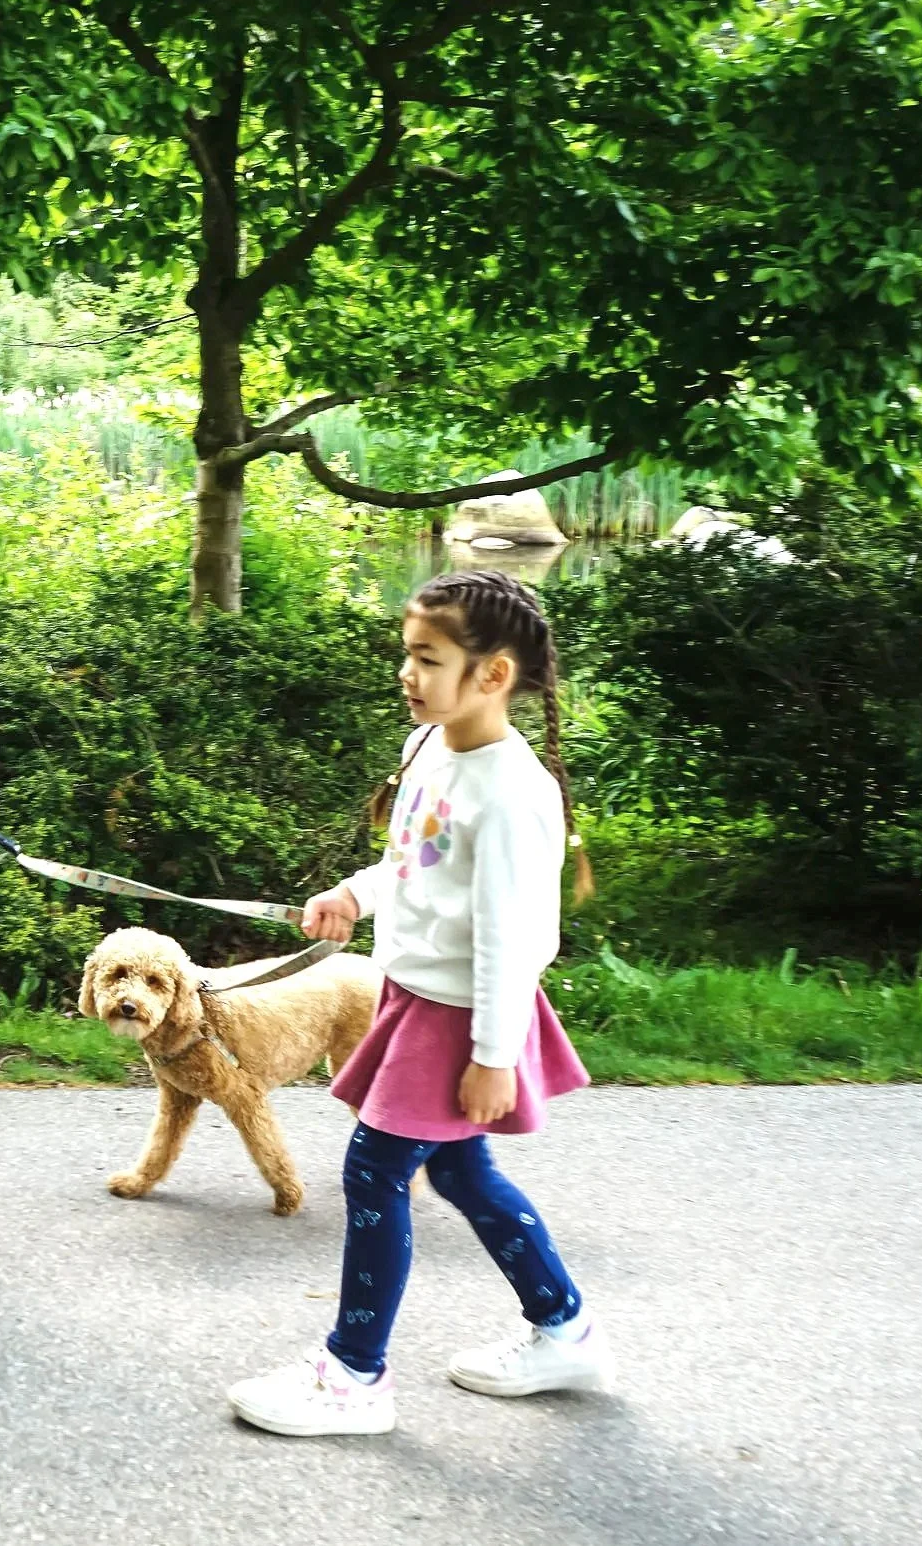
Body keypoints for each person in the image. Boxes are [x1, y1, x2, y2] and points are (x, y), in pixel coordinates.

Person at [225, 569, 613, 1437]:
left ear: (493, 674)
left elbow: (516, 939)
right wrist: (354, 896)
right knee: (462, 1171)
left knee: (374, 1171)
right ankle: (564, 1330)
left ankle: (353, 1376)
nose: (408, 672)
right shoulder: (433, 746)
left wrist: (491, 1056)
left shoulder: (512, 793)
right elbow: (412, 863)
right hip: (416, 996)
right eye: (408, 653)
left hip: (463, 1014)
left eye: (428, 659)